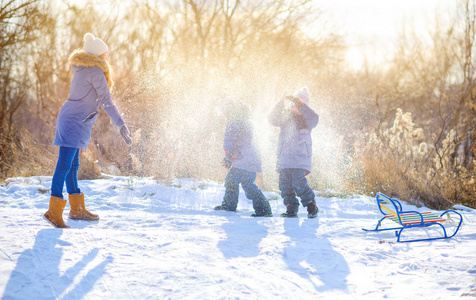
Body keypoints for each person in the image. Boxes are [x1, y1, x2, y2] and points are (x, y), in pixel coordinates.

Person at [44, 33, 133, 228]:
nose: (108, 56)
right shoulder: (94, 71)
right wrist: (120, 124)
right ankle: (53, 211)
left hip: (74, 119)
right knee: (64, 165)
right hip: (73, 121)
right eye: (106, 53)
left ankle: (76, 210)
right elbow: (106, 101)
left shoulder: (84, 69)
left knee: (72, 165)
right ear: (99, 55)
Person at [214, 98, 273, 217]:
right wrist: (231, 156)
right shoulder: (243, 119)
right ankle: (263, 208)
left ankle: (230, 206)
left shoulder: (235, 120)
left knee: (232, 181)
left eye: (222, 112)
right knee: (247, 184)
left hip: (244, 160)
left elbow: (237, 141)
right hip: (248, 159)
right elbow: (244, 141)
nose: (222, 116)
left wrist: (231, 155)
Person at [268, 87, 319, 218]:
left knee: (298, 183)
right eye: (294, 105)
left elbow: (314, 118)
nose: (295, 108)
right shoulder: (286, 117)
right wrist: (280, 104)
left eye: (299, 105)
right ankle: (291, 207)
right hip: (284, 158)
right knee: (284, 185)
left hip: (300, 158)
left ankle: (311, 205)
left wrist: (300, 104)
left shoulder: (307, 121)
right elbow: (272, 119)